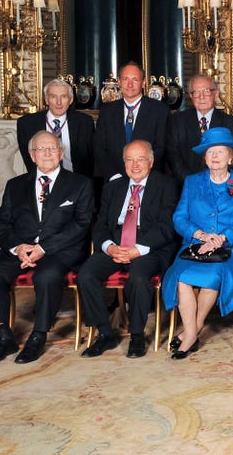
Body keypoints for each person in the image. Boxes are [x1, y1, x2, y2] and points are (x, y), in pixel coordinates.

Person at [0, 131, 93, 364]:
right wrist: (18, 248)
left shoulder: (80, 184)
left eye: (52, 149)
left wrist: (43, 248)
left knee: (47, 275)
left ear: (61, 154)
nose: (47, 154)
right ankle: (3, 336)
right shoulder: (15, 185)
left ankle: (38, 336)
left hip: (60, 249)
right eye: (41, 149)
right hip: (21, 248)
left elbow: (81, 225)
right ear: (32, 156)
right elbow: (0, 224)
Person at [77, 140, 179, 358]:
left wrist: (138, 249)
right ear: (123, 163)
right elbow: (101, 224)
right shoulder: (113, 187)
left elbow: (168, 226)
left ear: (151, 162)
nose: (135, 165)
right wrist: (109, 247)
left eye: (140, 159)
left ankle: (136, 335)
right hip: (116, 243)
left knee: (139, 277)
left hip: (150, 246)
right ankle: (105, 334)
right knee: (86, 275)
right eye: (129, 160)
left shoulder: (166, 185)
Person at [161, 128, 233, 359]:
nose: (215, 156)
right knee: (181, 278)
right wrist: (201, 235)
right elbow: (179, 217)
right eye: (210, 151)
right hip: (195, 244)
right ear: (204, 157)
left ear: (231, 157)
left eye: (220, 151)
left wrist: (222, 238)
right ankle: (193, 331)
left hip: (229, 247)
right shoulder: (192, 182)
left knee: (212, 277)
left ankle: (191, 332)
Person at [94, 63, 170, 181]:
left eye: (135, 79)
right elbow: (99, 147)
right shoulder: (107, 111)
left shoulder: (160, 110)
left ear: (143, 82)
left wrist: (141, 173)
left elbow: (161, 147)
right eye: (125, 79)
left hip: (149, 179)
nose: (130, 84)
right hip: (114, 180)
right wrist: (113, 175)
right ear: (119, 81)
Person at [166, 75, 233, 187]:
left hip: (220, 187)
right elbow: (173, 156)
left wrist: (215, 182)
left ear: (216, 94)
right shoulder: (177, 121)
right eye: (196, 92)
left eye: (206, 91)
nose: (201, 97)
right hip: (185, 186)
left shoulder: (230, 122)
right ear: (191, 96)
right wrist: (191, 182)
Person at [17, 78, 94, 176]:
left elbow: (91, 159)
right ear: (46, 100)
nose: (59, 102)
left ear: (70, 100)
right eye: (53, 97)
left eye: (63, 97)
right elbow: (30, 161)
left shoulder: (85, 122)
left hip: (77, 181)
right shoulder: (27, 124)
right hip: (43, 179)